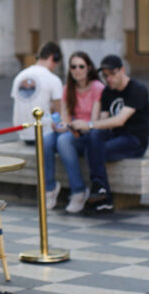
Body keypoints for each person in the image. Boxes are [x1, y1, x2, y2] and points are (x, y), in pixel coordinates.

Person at [71, 55, 149, 215]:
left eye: (112, 74)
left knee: (93, 149)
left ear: (122, 70)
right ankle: (100, 191)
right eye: (105, 76)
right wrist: (84, 129)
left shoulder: (137, 89)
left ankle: (102, 195)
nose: (109, 79)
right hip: (114, 137)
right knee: (91, 139)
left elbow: (120, 120)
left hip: (134, 140)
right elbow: (103, 121)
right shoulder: (108, 92)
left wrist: (90, 125)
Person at [43, 51, 104, 213]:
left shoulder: (97, 88)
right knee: (46, 139)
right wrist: (61, 125)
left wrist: (79, 126)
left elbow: (94, 120)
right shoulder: (67, 89)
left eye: (81, 66)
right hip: (71, 130)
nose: (77, 70)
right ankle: (49, 188)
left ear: (89, 68)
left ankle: (79, 190)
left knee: (63, 141)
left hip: (87, 133)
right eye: (73, 67)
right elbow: (65, 117)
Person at [11, 42, 63, 145]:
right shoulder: (53, 79)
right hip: (45, 133)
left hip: (23, 133)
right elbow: (59, 111)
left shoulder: (20, 76)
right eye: (56, 62)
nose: (55, 66)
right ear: (53, 57)